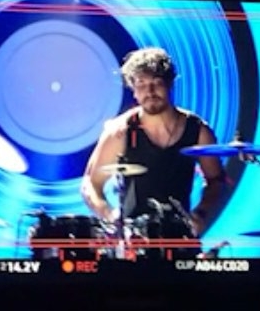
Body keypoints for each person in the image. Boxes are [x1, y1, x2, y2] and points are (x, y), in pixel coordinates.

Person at [80, 47, 226, 241]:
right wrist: (109, 214)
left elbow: (216, 180)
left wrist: (201, 213)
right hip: (134, 243)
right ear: (133, 90)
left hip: (180, 239)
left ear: (169, 84)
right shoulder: (120, 131)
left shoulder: (197, 130)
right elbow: (91, 183)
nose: (150, 91)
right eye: (141, 84)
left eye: (156, 82)